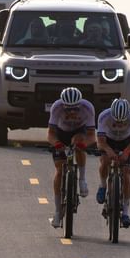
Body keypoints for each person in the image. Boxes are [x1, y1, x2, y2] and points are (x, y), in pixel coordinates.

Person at [46, 86, 96, 228]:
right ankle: (57, 212)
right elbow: (50, 134)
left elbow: (92, 136)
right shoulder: (56, 107)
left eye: (75, 108)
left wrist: (84, 145)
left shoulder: (88, 108)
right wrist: (57, 144)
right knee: (59, 170)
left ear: (80, 104)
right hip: (61, 133)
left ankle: (82, 180)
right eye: (68, 109)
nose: (72, 112)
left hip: (79, 131)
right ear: (63, 105)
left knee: (78, 142)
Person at [96, 98, 130, 228]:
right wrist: (108, 150)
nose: (119, 123)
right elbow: (100, 142)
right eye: (116, 121)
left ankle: (125, 212)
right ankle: (103, 186)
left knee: (126, 175)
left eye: (122, 121)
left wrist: (126, 152)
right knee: (105, 160)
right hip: (108, 140)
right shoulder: (104, 116)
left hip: (126, 141)